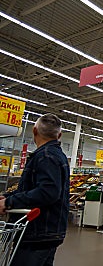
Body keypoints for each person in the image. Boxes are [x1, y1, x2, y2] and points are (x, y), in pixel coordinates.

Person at [0, 113, 70, 266]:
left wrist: (9, 202)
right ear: (59, 135)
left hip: (38, 232)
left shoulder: (46, 156)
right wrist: (6, 197)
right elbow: (31, 188)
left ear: (34, 130)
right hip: (45, 231)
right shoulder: (55, 155)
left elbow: (47, 192)